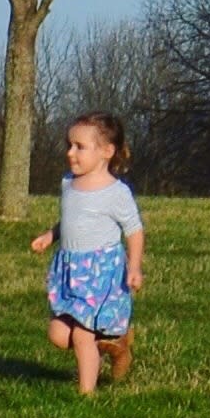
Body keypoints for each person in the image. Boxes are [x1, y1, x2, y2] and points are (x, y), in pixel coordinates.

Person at [33, 112, 146, 391]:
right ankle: (114, 345)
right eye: (69, 145)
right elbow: (72, 219)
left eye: (80, 147)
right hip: (70, 272)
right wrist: (52, 235)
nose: (70, 152)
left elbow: (134, 230)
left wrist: (134, 267)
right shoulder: (68, 183)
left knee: (83, 335)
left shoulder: (116, 193)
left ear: (107, 151)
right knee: (59, 335)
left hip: (99, 273)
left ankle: (86, 395)